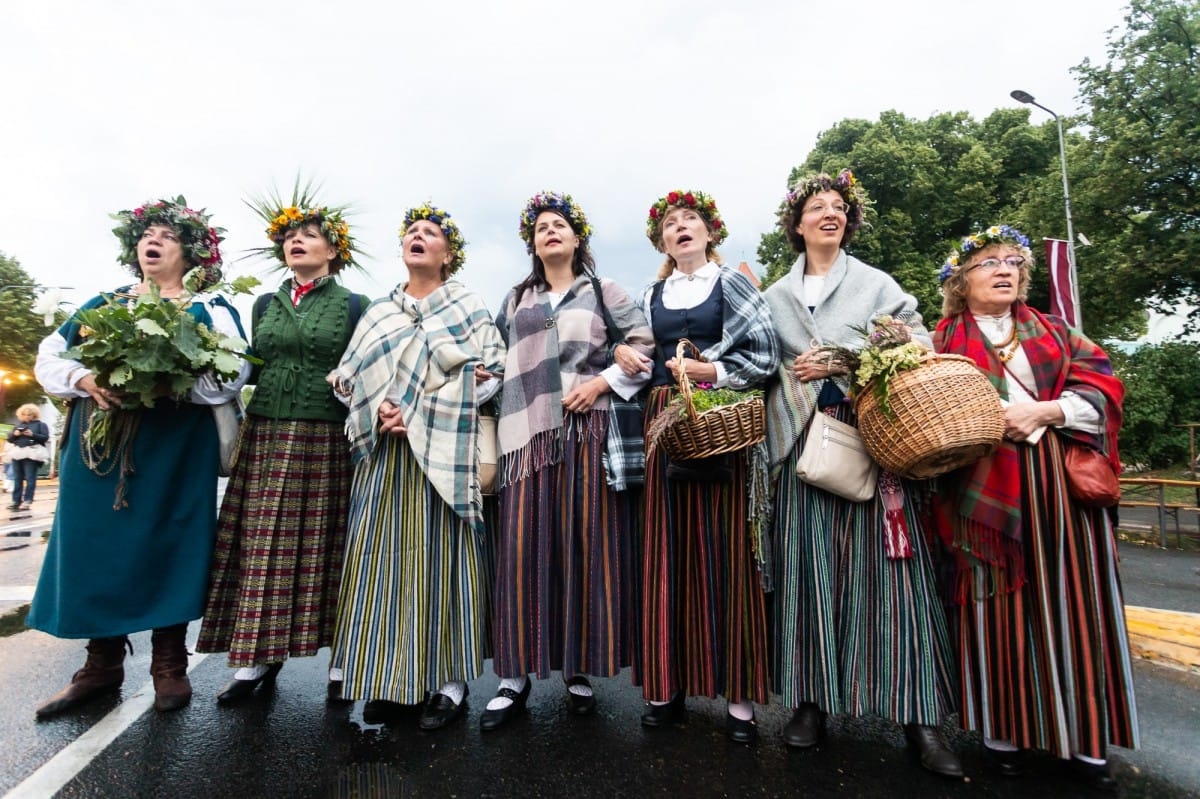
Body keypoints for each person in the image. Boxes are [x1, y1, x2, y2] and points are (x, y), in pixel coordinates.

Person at [761, 170, 962, 775]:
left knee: (895, 581)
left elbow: (919, 341)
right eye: (816, 207)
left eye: (838, 207)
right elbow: (755, 362)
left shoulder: (876, 283)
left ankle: (921, 720)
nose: (829, 213)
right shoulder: (773, 296)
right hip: (801, 443)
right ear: (797, 225)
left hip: (870, 437)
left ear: (849, 221)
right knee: (809, 573)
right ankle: (810, 703)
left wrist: (851, 357)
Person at [932, 224, 1137, 791]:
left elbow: (1104, 388)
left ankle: (1086, 738)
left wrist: (1045, 413)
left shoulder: (1057, 332)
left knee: (1076, 607)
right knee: (992, 607)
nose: (1004, 271)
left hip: (1059, 489)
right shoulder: (939, 340)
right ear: (961, 281)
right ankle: (1004, 735)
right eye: (988, 263)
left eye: (1012, 263)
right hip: (980, 493)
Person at [29, 197, 250, 717]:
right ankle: (101, 665)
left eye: (168, 236)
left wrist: (166, 378)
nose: (153, 240)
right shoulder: (104, 303)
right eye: (148, 234)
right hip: (102, 447)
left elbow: (232, 372)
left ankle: (168, 664)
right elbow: (51, 356)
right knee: (95, 544)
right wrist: (84, 377)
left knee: (169, 541)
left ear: (192, 254)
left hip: (174, 447)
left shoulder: (211, 309)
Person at [327, 203, 505, 731]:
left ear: (449, 255)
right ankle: (389, 681)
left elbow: (491, 373)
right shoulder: (380, 311)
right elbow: (347, 375)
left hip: (442, 456)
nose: (418, 237)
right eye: (411, 232)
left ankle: (448, 683)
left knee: (444, 564)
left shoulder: (467, 305)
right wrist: (376, 402)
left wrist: (420, 412)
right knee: (384, 565)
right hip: (386, 458)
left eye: (430, 233)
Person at [481, 192, 654, 730]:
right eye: (541, 228)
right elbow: (493, 357)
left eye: (560, 225)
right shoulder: (515, 299)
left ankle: (577, 667)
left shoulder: (606, 292)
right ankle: (514, 675)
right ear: (533, 244)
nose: (550, 232)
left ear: (578, 239)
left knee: (584, 546)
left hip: (588, 433)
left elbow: (644, 344)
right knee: (521, 549)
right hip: (525, 442)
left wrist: (605, 380)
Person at [197, 187, 370, 702]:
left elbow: (365, 368)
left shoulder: (356, 305)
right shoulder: (264, 303)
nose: (297, 241)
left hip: (325, 435)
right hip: (268, 432)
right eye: (291, 237)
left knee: (330, 546)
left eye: (309, 235)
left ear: (332, 250)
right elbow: (248, 364)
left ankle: (344, 662)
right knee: (262, 544)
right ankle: (258, 657)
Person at [637, 189, 778, 743]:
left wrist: (708, 373)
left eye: (690, 219)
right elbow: (638, 354)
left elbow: (764, 353)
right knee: (666, 554)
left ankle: (738, 696)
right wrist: (630, 356)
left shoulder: (734, 283)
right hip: (663, 422)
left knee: (726, 553)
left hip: (721, 420)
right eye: (671, 223)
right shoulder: (652, 292)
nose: (681, 227)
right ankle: (665, 685)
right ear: (663, 240)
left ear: (710, 232)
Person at [6, 403, 50, 511]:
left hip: (32, 453)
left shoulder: (41, 425)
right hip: (17, 453)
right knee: (17, 478)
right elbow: (10, 439)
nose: (27, 416)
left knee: (30, 478)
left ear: (34, 415)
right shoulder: (18, 425)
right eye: (24, 414)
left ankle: (27, 500)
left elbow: (45, 438)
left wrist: (32, 435)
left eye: (29, 414)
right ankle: (16, 501)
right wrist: (15, 435)